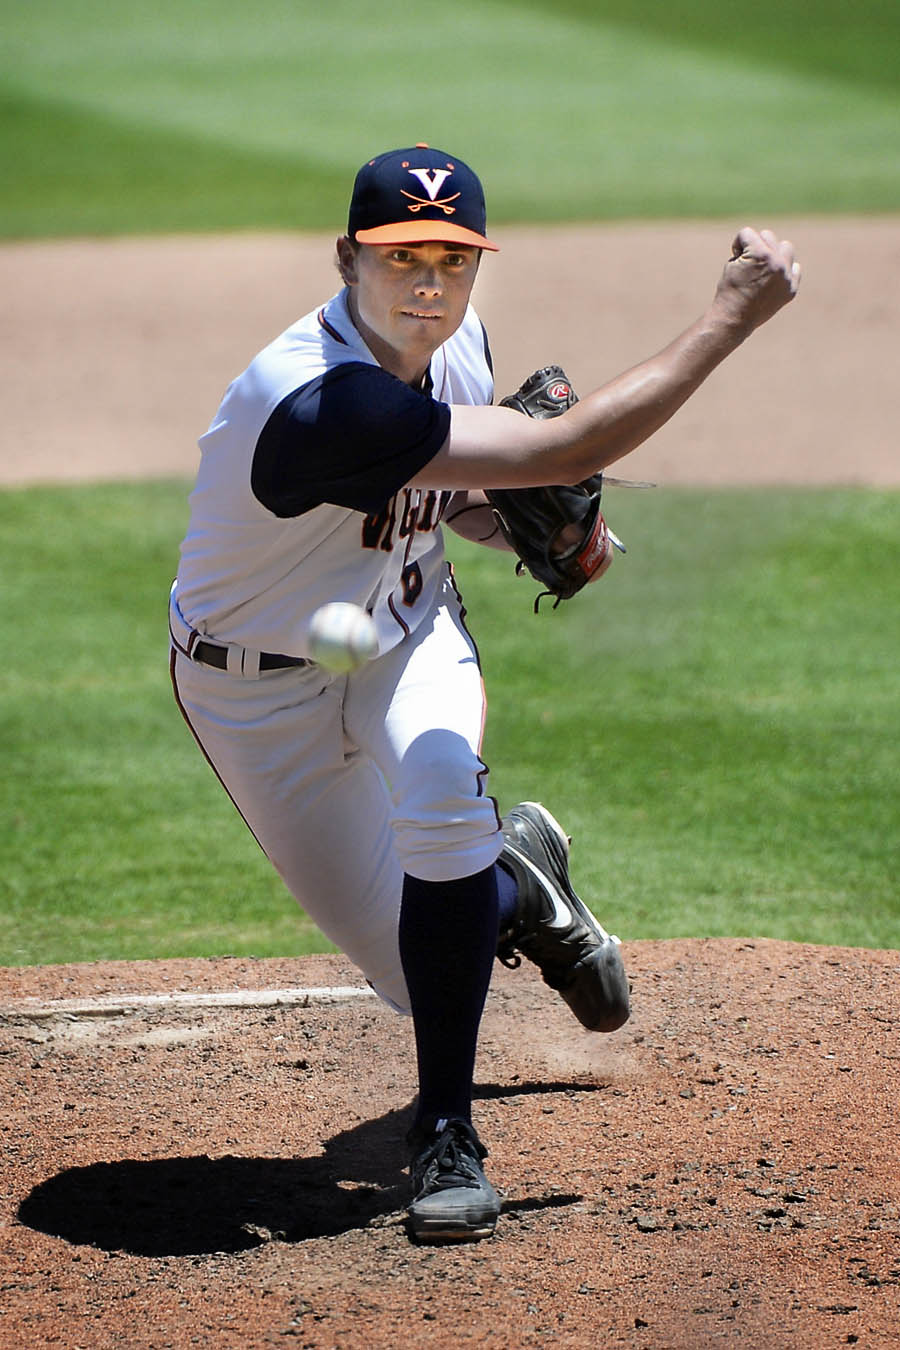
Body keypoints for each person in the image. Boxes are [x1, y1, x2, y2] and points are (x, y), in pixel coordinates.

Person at [168, 143, 800, 1243]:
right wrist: (731, 318)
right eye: (401, 256)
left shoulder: (457, 351)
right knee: (422, 970)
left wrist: (531, 521)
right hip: (252, 694)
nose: (427, 283)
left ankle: (446, 1134)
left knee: (437, 784)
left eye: (452, 261)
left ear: (474, 271)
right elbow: (566, 440)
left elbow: (454, 495)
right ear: (346, 260)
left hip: (405, 632)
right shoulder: (314, 399)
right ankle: (523, 884)